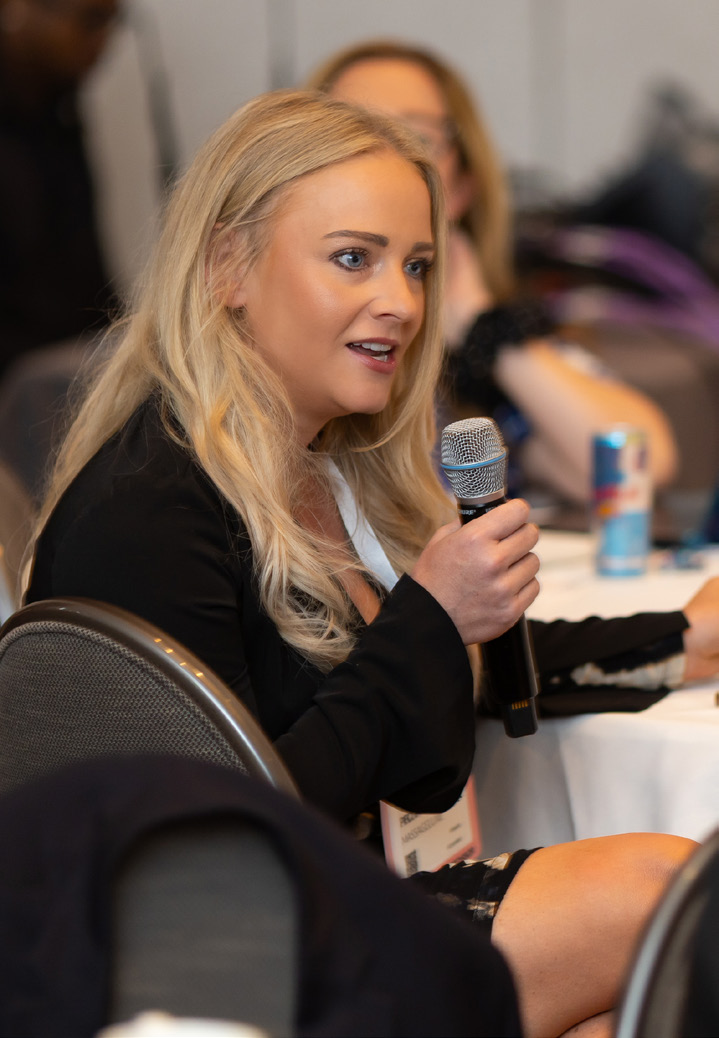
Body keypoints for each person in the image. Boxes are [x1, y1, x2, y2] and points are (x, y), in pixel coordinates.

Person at [25, 89, 701, 1038]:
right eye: (354, 258)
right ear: (226, 266)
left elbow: (456, 661)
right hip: (225, 959)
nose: (403, 302)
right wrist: (430, 616)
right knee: (665, 903)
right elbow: (230, 820)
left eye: (416, 265)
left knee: (634, 996)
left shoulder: (324, 471)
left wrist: (682, 637)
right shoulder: (149, 508)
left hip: (333, 894)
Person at [305, 40, 679, 505]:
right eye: (351, 134)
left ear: (463, 187)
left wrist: (479, 324)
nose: (385, 162)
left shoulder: (481, 356)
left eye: (416, 139)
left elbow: (635, 466)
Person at [0, 0, 121, 379]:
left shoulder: (59, 109)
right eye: (91, 21)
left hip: (71, 364)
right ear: (16, 9)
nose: (103, 41)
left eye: (114, 22)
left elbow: (83, 272)